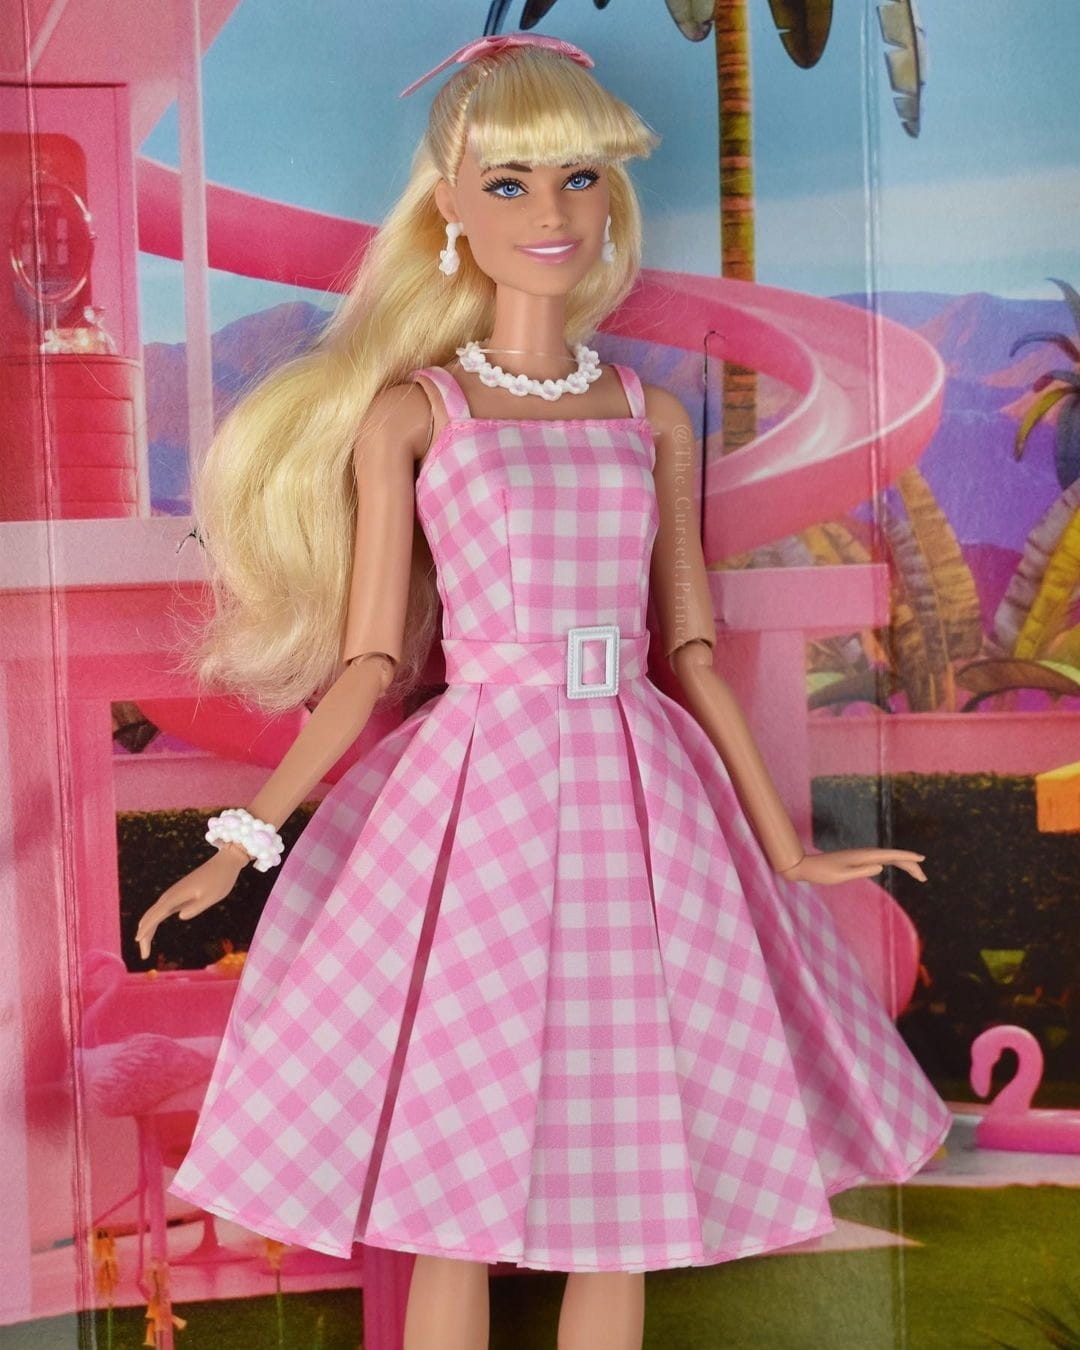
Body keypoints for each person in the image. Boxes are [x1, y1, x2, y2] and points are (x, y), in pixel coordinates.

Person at [136, 33, 952, 1350]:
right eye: (509, 184)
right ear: (449, 210)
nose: (551, 212)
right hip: (479, 793)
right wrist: (244, 840)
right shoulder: (419, 414)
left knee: (623, 1162)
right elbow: (372, 661)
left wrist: (787, 848)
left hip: (642, 789)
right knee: (453, 1167)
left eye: (578, 177)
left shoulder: (647, 415)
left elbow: (692, 648)